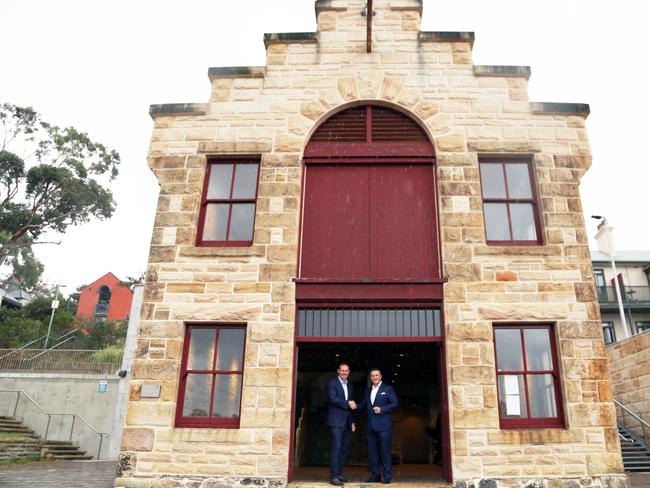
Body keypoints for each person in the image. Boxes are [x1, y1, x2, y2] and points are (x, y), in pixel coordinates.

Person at [358, 368, 398, 484]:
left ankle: (387, 477)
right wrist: (354, 405)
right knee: (373, 453)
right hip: (371, 427)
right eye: (372, 376)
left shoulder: (388, 389)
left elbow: (395, 403)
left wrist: (382, 409)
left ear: (380, 377)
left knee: (385, 452)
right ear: (370, 378)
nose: (374, 377)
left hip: (384, 426)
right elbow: (364, 405)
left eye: (376, 375)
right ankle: (375, 476)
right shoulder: (368, 391)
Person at [326, 362, 357, 486]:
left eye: (346, 371)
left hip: (347, 422)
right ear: (338, 371)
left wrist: (353, 421)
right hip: (336, 421)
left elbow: (351, 404)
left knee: (344, 449)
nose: (344, 372)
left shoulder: (349, 385)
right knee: (336, 448)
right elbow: (333, 399)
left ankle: (339, 474)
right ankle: (333, 477)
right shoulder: (332, 383)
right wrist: (347, 403)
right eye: (342, 370)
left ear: (349, 372)